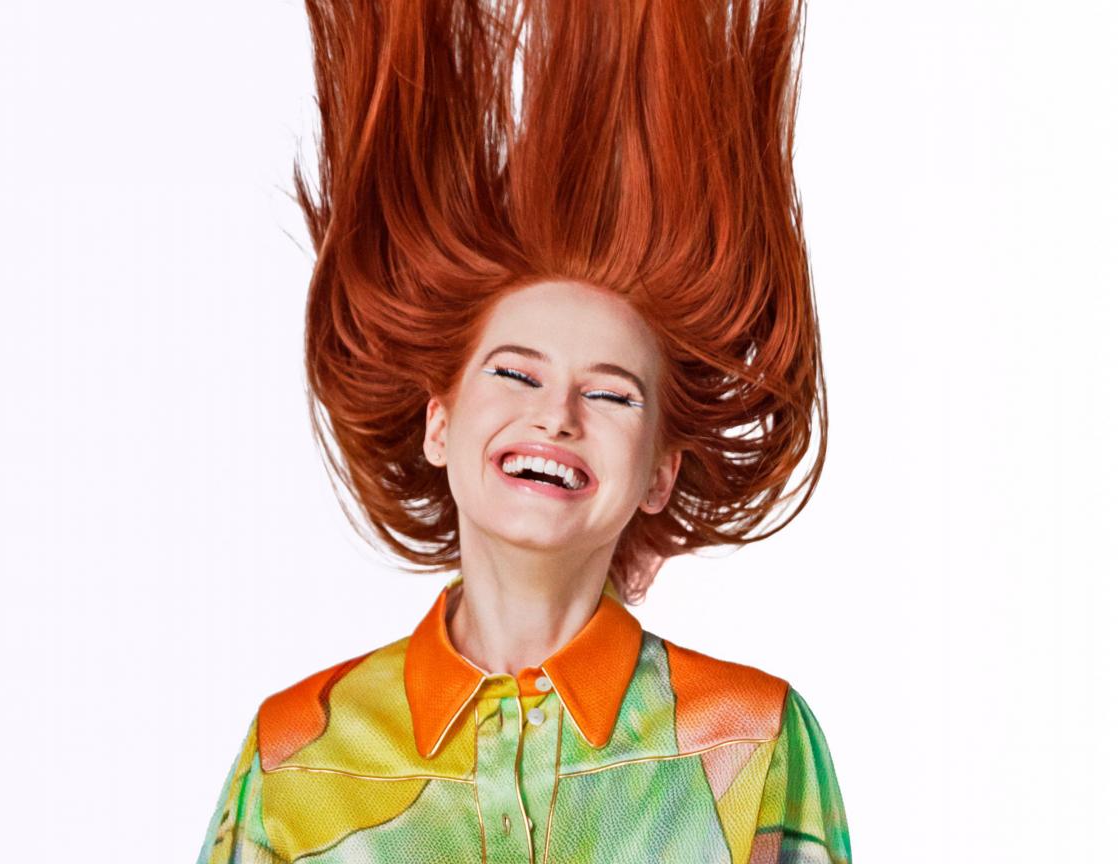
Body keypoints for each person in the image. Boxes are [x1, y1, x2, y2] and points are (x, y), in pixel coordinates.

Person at [195, 1, 851, 862]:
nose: (557, 415)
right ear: (438, 423)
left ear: (660, 471)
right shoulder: (295, 758)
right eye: (515, 374)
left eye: (611, 395)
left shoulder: (750, 736)